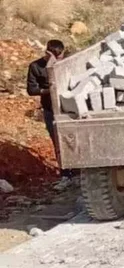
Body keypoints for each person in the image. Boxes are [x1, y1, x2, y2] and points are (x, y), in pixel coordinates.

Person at [26, 39, 75, 179]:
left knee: (72, 140)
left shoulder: (66, 64)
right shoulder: (36, 66)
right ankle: (66, 173)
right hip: (50, 110)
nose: (58, 60)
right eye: (55, 57)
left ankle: (78, 170)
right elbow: (31, 89)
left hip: (69, 109)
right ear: (47, 52)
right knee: (57, 141)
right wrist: (49, 90)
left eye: (60, 57)